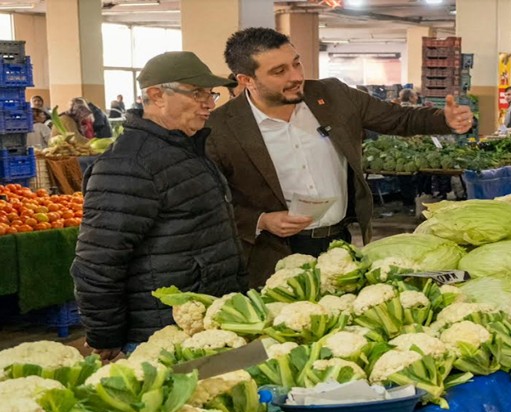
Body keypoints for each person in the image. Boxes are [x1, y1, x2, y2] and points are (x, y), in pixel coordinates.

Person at [206, 28, 474, 288]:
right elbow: (208, 203)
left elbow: (398, 119)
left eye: (296, 64)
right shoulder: (219, 129)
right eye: (279, 71)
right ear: (246, 80)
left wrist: (444, 120)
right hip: (271, 255)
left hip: (338, 244)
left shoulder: (333, 96)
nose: (296, 76)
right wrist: (260, 220)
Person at [71, 51, 246, 360]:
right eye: (196, 93)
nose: (208, 103)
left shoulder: (188, 149)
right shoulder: (128, 165)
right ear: (156, 96)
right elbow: (98, 264)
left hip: (206, 324)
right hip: (159, 336)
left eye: (211, 94)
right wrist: (106, 339)